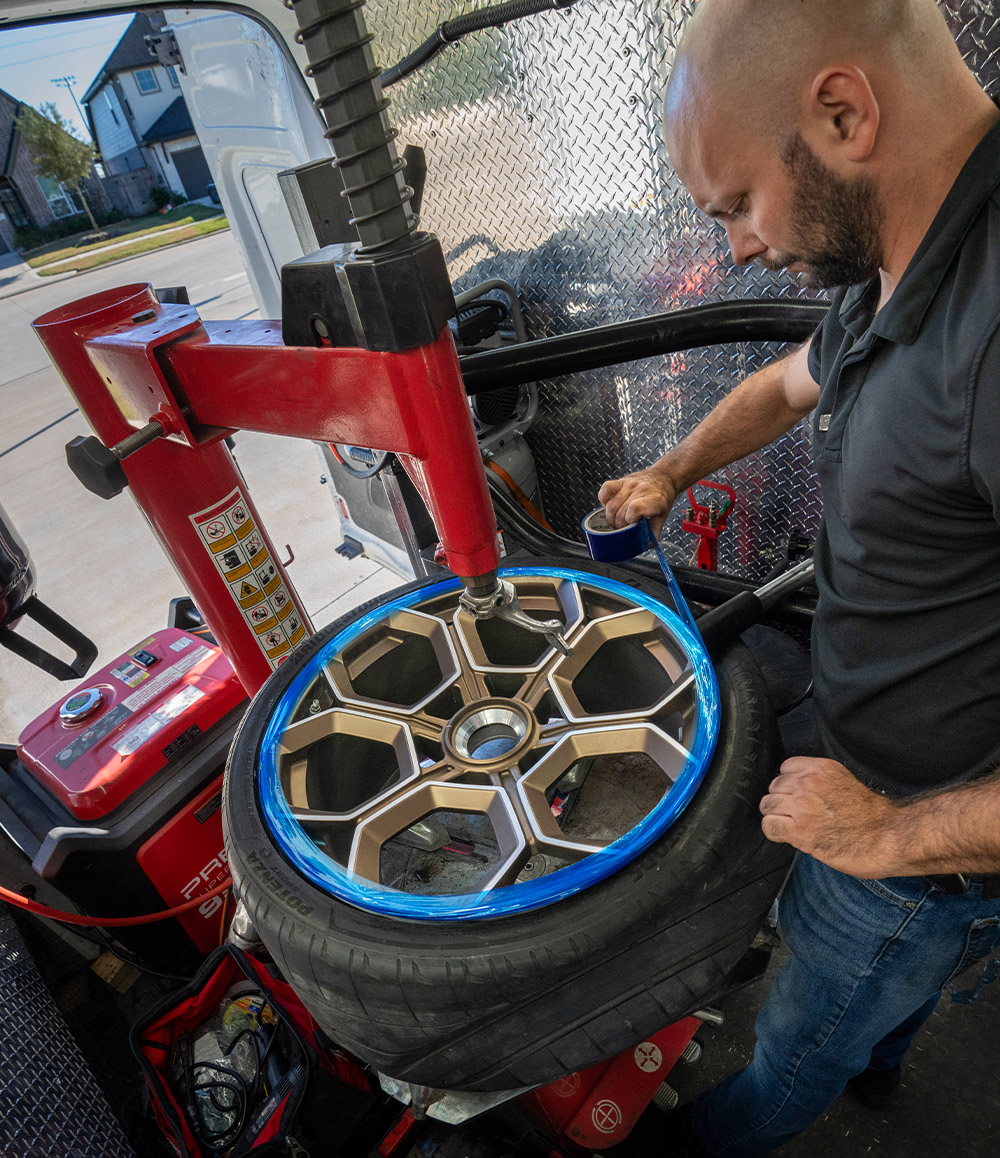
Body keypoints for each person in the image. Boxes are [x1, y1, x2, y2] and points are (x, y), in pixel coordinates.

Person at [598, 1, 1000, 1153]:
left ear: (841, 112)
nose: (734, 249)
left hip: (919, 846)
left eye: (735, 205)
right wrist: (669, 471)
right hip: (891, 778)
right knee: (881, 1009)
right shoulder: (908, 255)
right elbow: (787, 386)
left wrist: (888, 838)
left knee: (790, 1053)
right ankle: (884, 1058)